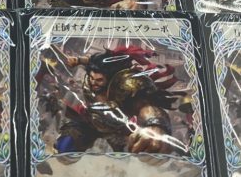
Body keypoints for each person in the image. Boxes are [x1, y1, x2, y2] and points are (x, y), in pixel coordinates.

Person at [41, 46, 188, 154]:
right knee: (63, 147)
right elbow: (92, 61)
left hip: (119, 130)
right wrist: (78, 60)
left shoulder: (125, 83)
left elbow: (145, 106)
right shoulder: (92, 75)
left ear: (111, 77)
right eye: (91, 78)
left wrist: (155, 126)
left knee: (125, 163)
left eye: (99, 80)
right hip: (89, 122)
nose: (93, 82)